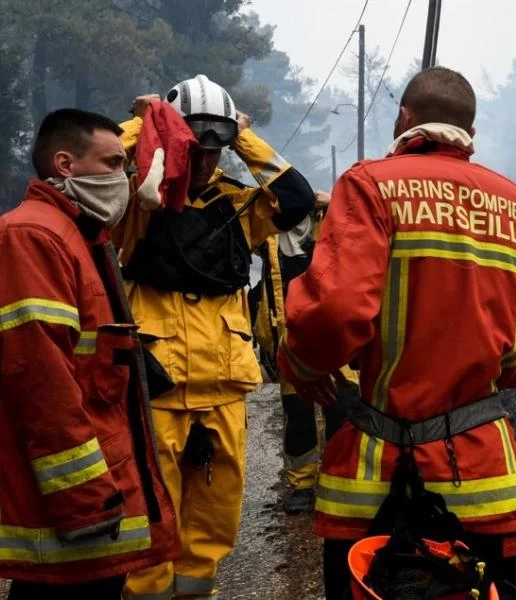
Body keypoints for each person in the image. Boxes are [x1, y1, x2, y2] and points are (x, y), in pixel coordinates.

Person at [278, 66, 516, 598]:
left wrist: (301, 365)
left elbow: (336, 310)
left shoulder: (369, 185)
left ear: (404, 119)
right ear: (471, 134)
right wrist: (474, 375)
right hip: (481, 479)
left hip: (373, 480)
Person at [113, 74, 316, 599]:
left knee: (214, 524)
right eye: (194, 148)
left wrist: (243, 136)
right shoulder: (139, 200)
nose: (204, 161)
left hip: (223, 389)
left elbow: (293, 196)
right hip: (157, 386)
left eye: (214, 150)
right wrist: (147, 121)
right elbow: (98, 163)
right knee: (151, 521)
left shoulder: (239, 206)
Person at [0, 109, 178, 599]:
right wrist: (86, 502)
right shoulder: (35, 237)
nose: (124, 178)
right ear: (65, 164)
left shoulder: (78, 236)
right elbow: (41, 382)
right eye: (113, 162)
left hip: (95, 500)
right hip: (75, 511)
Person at [252, 201, 362, 516]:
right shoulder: (267, 235)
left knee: (343, 405)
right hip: (292, 338)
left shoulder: (331, 222)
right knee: (298, 413)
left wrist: (331, 203)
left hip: (334, 335)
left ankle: (339, 477)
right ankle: (302, 485)